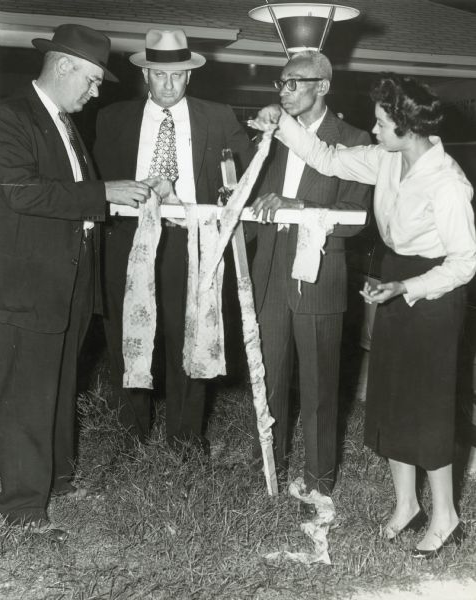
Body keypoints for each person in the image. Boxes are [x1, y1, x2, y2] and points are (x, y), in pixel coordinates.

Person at [251, 74, 476, 556]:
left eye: (380, 123)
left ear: (407, 127)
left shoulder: (449, 183)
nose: (372, 131)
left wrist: (407, 287)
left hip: (434, 293)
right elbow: (328, 158)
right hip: (394, 279)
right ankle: (405, 507)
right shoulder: (389, 159)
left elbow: (465, 263)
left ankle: (445, 515)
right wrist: (283, 121)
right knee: (391, 398)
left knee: (427, 407)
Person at [0, 24, 157, 540]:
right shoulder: (12, 116)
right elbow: (22, 192)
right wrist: (101, 192)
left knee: (61, 388)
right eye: (90, 80)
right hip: (30, 288)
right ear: (63, 65)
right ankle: (22, 509)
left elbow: (73, 198)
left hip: (68, 287)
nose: (94, 93)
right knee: (28, 398)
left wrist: (117, 196)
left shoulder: (63, 124)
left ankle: (58, 481)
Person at [93, 29, 253, 451]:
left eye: (177, 76)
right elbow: (96, 183)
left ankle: (184, 439)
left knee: (189, 337)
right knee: (127, 336)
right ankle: (130, 437)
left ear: (189, 77)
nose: (167, 85)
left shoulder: (218, 117)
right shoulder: (112, 119)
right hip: (127, 244)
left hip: (190, 243)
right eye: (159, 75)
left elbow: (244, 181)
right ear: (145, 74)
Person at [248, 50, 372, 505]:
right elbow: (249, 188)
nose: (284, 92)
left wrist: (302, 208)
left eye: (294, 83)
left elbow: (357, 218)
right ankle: (270, 470)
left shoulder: (354, 140)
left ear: (323, 86)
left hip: (320, 270)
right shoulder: (272, 134)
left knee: (319, 383)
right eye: (280, 83)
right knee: (270, 376)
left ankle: (319, 482)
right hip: (271, 265)